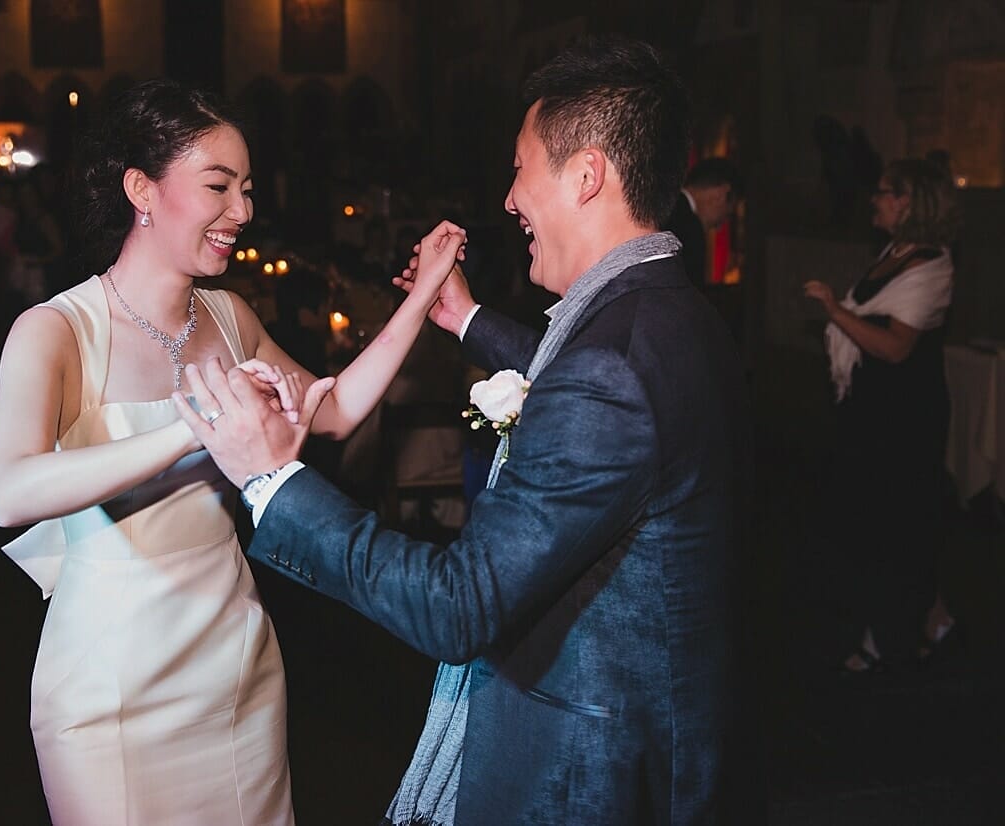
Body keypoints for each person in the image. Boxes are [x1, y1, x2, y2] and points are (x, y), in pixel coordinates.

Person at [174, 36, 756, 825]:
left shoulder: (612, 368)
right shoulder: (671, 312)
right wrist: (464, 318)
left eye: (520, 169)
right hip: (666, 738)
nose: (510, 198)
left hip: (591, 771)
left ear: (586, 176)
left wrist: (272, 479)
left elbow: (460, 606)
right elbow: (586, 384)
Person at [0, 79, 463, 826]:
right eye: (218, 186)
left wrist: (422, 296)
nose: (242, 212)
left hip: (234, 664)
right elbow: (7, 492)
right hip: (109, 683)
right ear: (141, 188)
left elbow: (329, 411)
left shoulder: (230, 317)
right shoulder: (56, 331)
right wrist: (192, 430)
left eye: (245, 188)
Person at [803, 157, 960, 673]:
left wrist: (834, 311)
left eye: (886, 191)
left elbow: (895, 347)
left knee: (897, 525)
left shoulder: (933, 264)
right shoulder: (896, 253)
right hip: (876, 413)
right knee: (876, 521)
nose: (875, 198)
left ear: (910, 202)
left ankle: (894, 641)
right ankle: (922, 621)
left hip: (906, 417)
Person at [662, 156, 743, 286]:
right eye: (727, 214)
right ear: (721, 194)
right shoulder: (690, 227)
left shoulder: (661, 206)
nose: (720, 226)